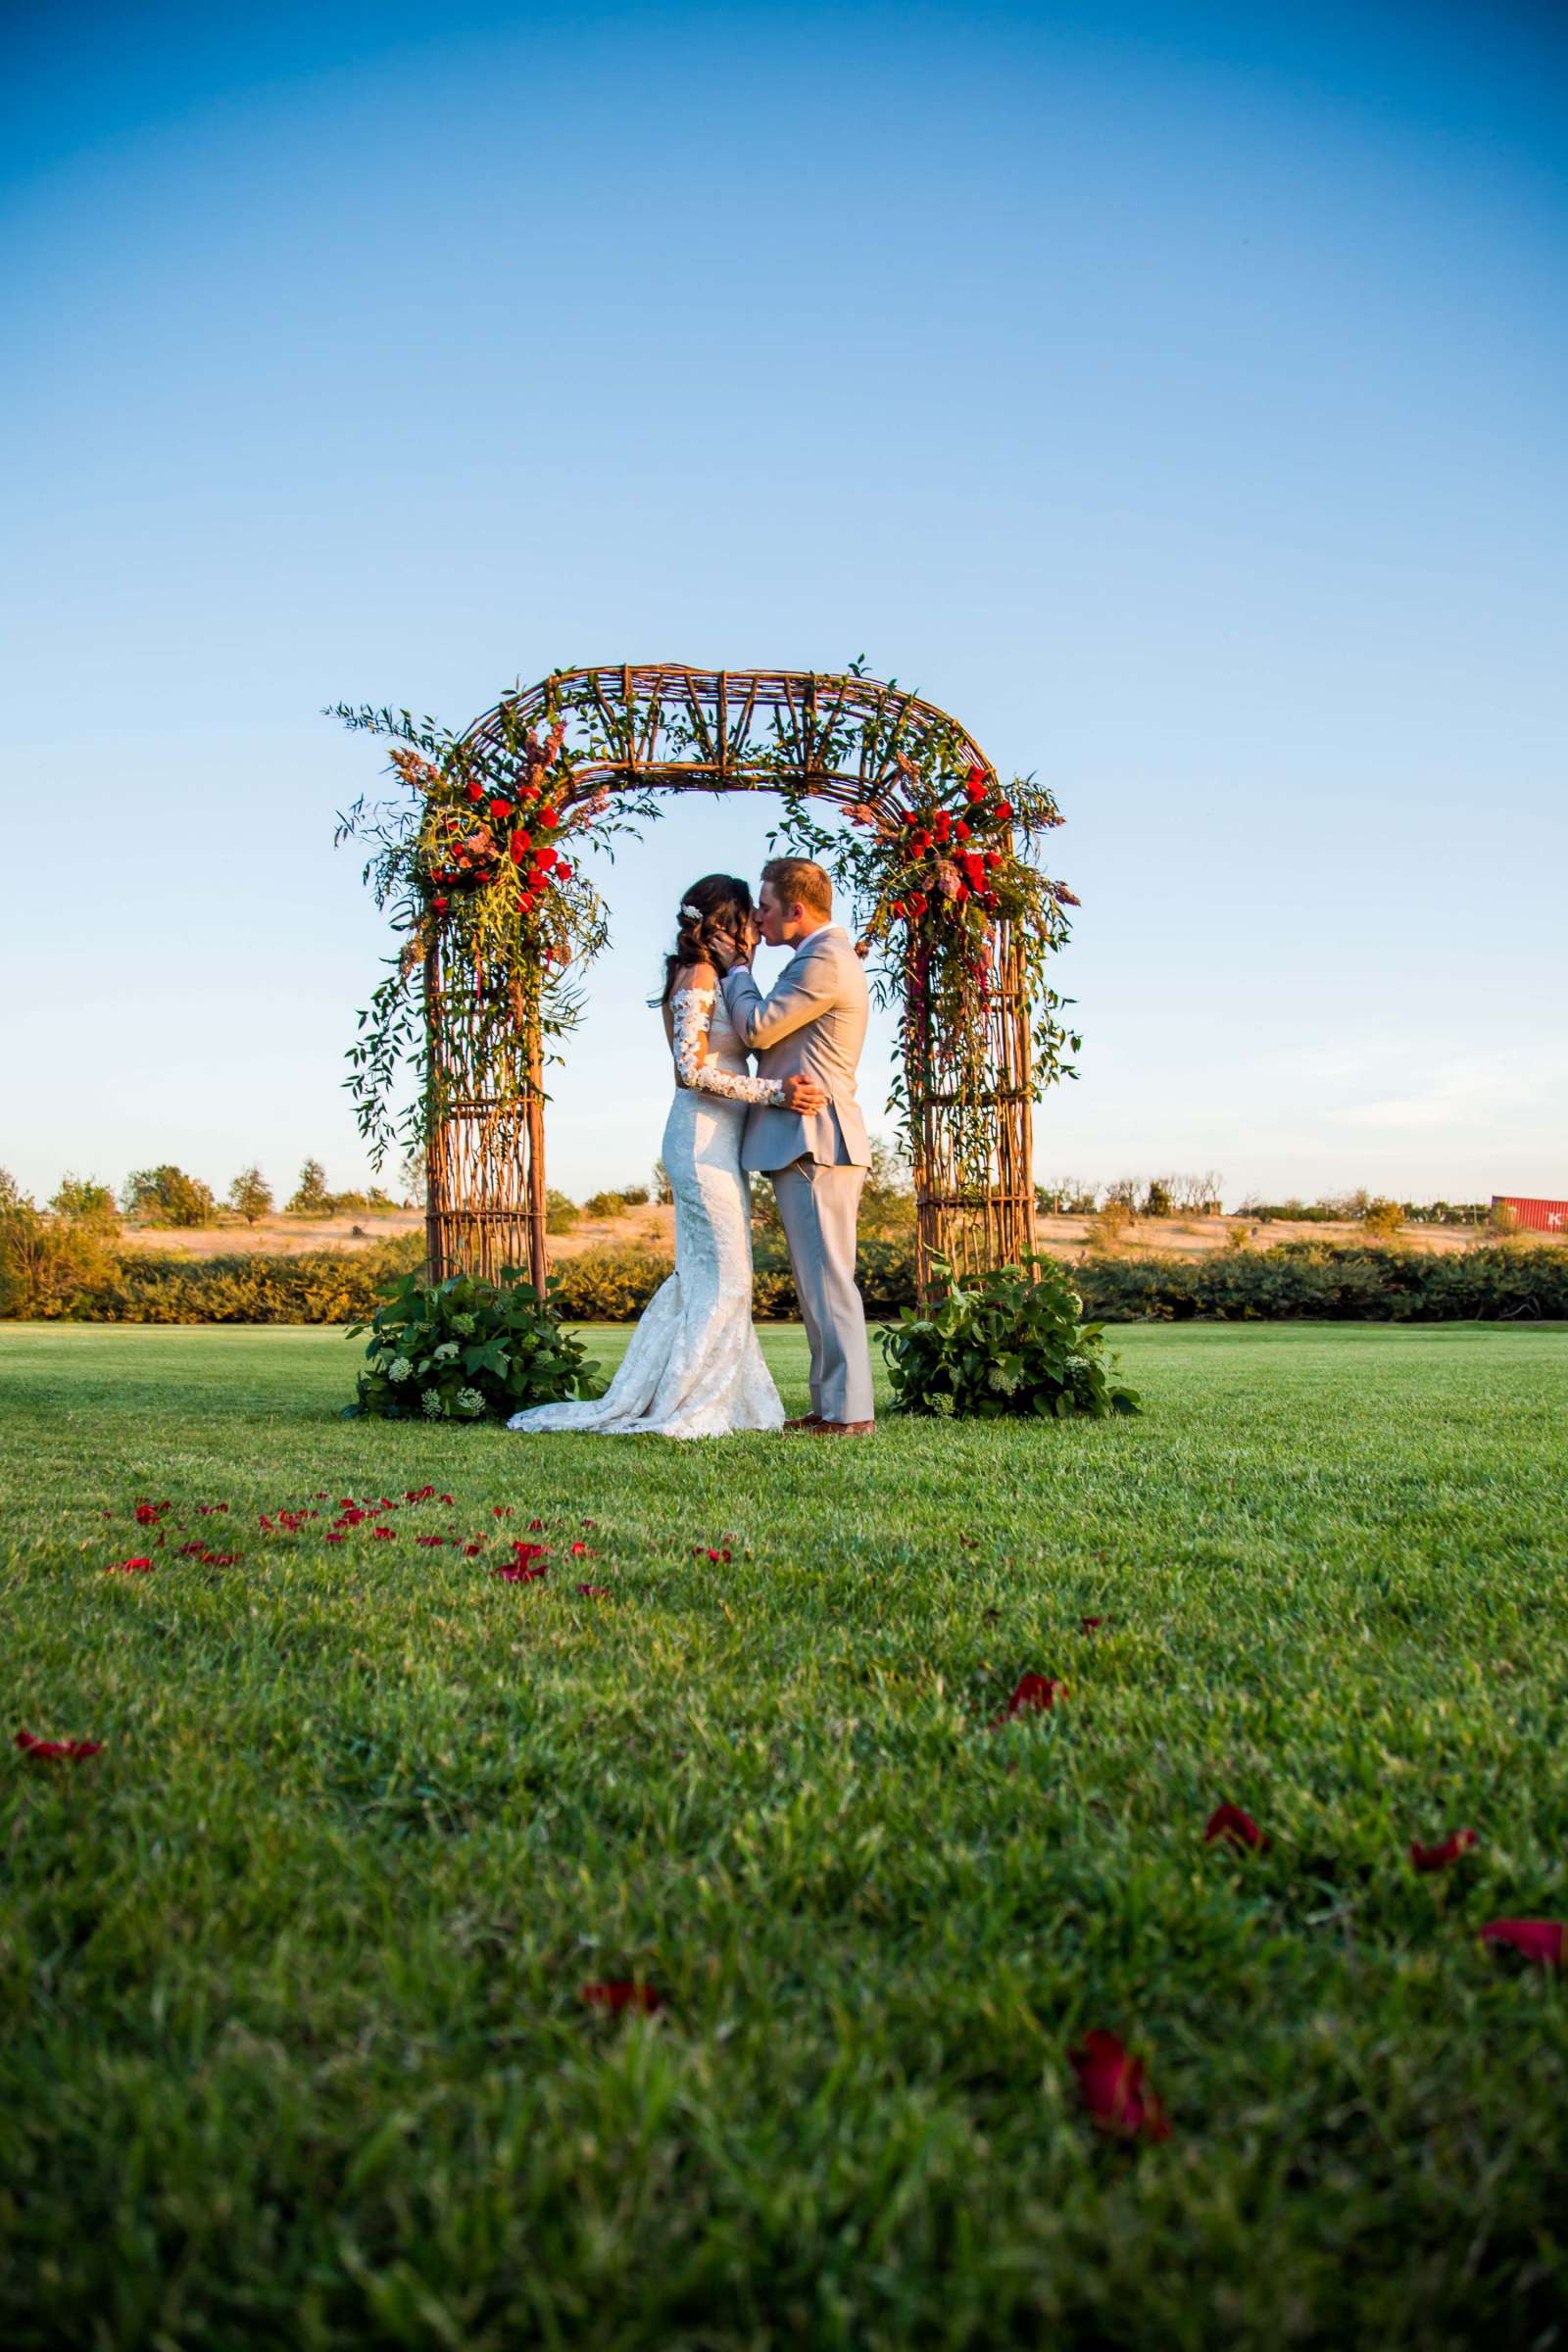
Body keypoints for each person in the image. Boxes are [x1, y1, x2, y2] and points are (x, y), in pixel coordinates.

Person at [506, 874, 826, 1440]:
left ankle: (715, 1397)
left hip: (720, 1144)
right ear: (725, 923)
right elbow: (691, 1071)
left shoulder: (711, 973)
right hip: (700, 1143)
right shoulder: (698, 974)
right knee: (726, 1275)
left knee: (714, 1276)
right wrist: (775, 1093)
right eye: (748, 918)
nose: (756, 927)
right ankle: (692, 1401)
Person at [710, 857, 875, 1437]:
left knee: (829, 1279)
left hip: (816, 1138)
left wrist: (735, 969)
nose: (758, 916)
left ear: (796, 910)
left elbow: (757, 1028)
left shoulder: (824, 959)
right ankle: (832, 1407)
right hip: (803, 1135)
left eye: (767, 906)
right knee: (817, 1282)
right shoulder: (820, 956)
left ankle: (851, 1413)